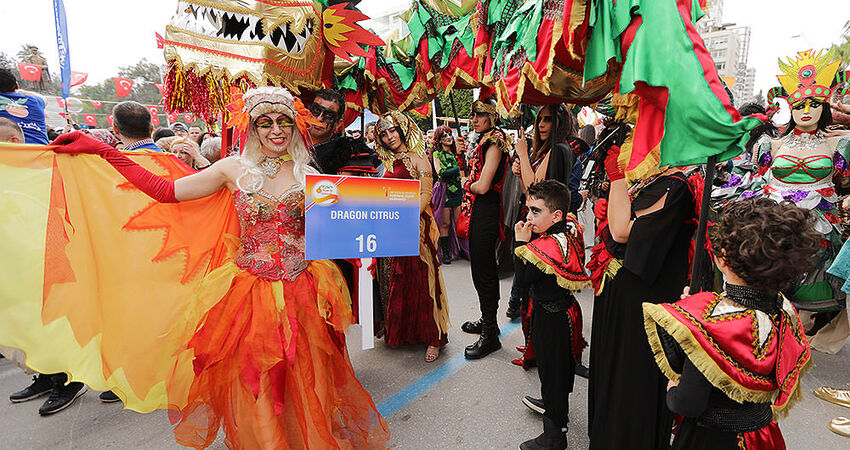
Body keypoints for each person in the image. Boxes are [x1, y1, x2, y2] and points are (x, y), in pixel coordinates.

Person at [14, 86, 389, 448]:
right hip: (250, 296)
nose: (276, 130)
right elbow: (165, 192)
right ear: (252, 127)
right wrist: (104, 152)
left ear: (295, 126)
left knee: (310, 377)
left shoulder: (310, 174)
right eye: (265, 122)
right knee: (255, 382)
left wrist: (391, 210)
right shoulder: (231, 169)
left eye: (284, 121)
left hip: (304, 289)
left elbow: (349, 222)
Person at [643, 198, 816, 449]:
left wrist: (673, 387)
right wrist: (698, 309)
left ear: (723, 259)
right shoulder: (784, 310)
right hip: (761, 435)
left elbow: (687, 403)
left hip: (713, 440)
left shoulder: (715, 325)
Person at [587, 143, 697, 450]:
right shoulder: (651, 179)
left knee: (630, 385)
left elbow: (621, 230)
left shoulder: (674, 184)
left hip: (641, 304)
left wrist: (618, 177)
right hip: (619, 297)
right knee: (612, 378)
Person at [742, 49, 850, 353]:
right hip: (773, 223)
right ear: (789, 106)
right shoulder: (771, 143)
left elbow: (843, 183)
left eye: (814, 104)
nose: (806, 111)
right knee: (768, 280)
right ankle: (765, 338)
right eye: (799, 104)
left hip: (818, 227)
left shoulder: (839, 143)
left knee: (807, 283)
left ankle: (793, 341)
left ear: (825, 106)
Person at [509, 105, 586, 373]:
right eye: (539, 119)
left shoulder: (558, 149)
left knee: (536, 293)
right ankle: (534, 346)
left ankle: (542, 351)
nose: (541, 124)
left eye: (548, 119)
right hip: (539, 224)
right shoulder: (545, 151)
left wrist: (522, 155)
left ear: (560, 122)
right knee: (531, 295)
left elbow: (535, 192)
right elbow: (529, 196)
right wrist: (521, 169)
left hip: (548, 231)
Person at [513, 180, 590, 450]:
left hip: (551, 317)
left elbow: (522, 280)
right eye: (528, 210)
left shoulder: (545, 247)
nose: (528, 217)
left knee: (552, 371)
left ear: (556, 215)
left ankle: (555, 435)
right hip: (566, 312)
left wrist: (520, 244)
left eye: (536, 211)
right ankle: (556, 408)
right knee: (561, 369)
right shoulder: (569, 227)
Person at [372, 111, 450, 362]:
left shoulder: (419, 160)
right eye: (383, 134)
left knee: (420, 281)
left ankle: (433, 337)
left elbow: (425, 196)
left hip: (415, 229)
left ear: (402, 130)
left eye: (392, 131)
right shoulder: (383, 164)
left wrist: (404, 220)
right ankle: (400, 330)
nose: (388, 137)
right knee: (394, 279)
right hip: (388, 230)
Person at [457, 98, 511, 360]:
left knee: (485, 271)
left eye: (479, 114)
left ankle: (490, 333)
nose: (474, 119)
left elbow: (483, 185)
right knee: (479, 269)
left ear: (491, 116)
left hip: (486, 210)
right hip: (479, 211)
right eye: (473, 115)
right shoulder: (485, 139)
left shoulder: (495, 141)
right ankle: (487, 320)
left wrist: (467, 182)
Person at [430, 125, 467, 264]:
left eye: (449, 134)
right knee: (445, 223)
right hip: (445, 191)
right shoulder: (437, 154)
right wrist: (457, 168)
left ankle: (462, 249)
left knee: (459, 222)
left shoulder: (456, 153)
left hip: (457, 189)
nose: (448, 137)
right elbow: (441, 173)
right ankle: (445, 252)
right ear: (439, 140)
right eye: (444, 136)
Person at [0, 68, 48, 144]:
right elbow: (44, 99)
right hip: (41, 152)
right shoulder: (35, 101)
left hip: (7, 153)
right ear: (16, 85)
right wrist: (21, 92)